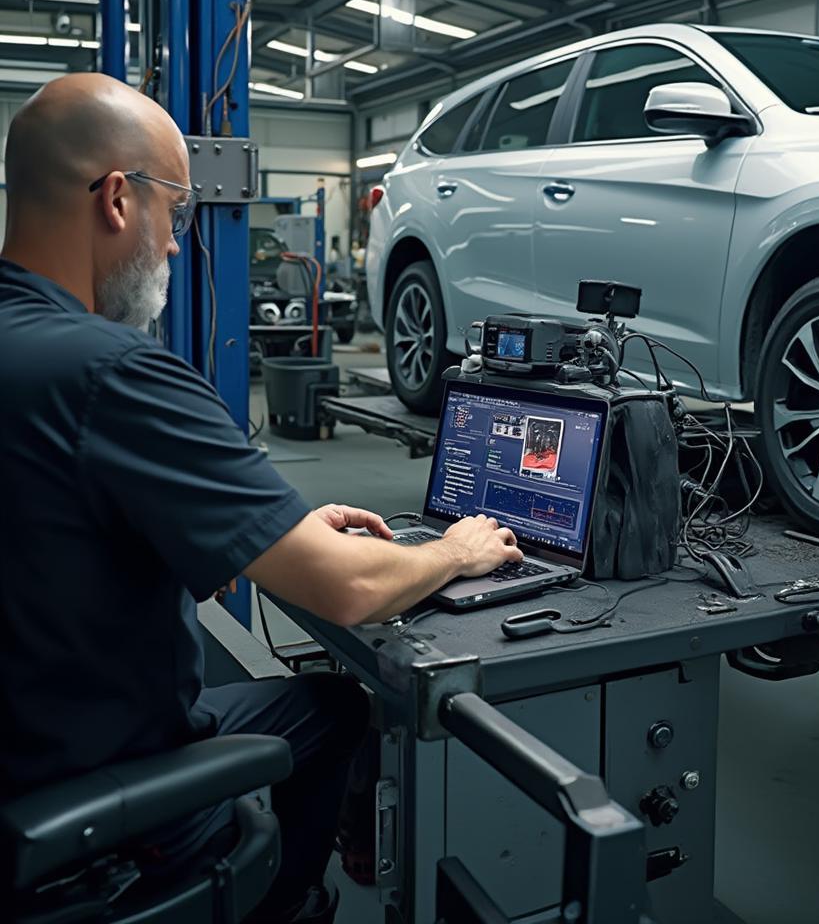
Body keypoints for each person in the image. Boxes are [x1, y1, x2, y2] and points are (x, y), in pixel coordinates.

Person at [0, 74, 522, 923]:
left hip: (29, 734)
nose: (176, 248)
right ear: (118, 201)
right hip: (89, 799)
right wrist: (457, 550)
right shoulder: (114, 372)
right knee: (335, 707)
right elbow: (346, 589)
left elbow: (58, 526)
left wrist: (273, 528)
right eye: (178, 215)